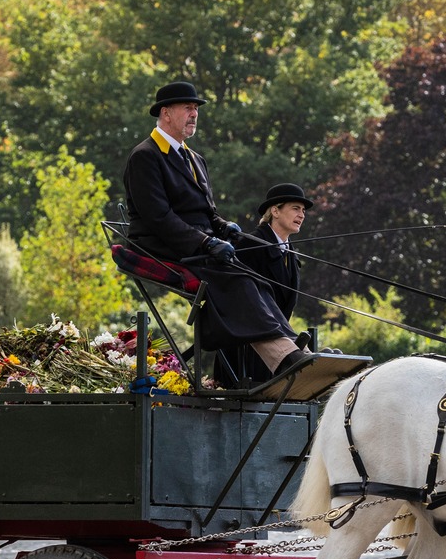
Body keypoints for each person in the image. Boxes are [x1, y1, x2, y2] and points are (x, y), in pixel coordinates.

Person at [122, 80, 312, 379]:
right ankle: (282, 357)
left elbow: (208, 213)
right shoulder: (146, 156)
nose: (194, 114)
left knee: (256, 275)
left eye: (196, 109)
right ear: (166, 113)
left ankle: (290, 348)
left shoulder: (195, 158)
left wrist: (225, 229)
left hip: (198, 243)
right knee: (238, 281)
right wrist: (206, 242)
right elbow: (158, 217)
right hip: (161, 243)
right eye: (188, 108)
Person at [217, 183, 312, 387]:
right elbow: (239, 302)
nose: (302, 215)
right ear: (275, 211)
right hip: (246, 355)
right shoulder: (251, 245)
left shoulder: (291, 254)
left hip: (278, 351)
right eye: (295, 208)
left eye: (303, 211)